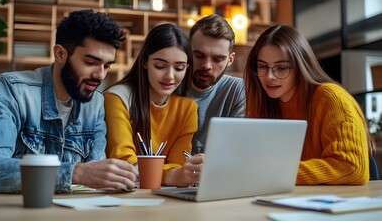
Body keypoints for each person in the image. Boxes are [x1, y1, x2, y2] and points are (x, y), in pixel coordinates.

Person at [0, 10, 138, 193]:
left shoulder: (96, 105)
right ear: (60, 54)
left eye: (107, 66)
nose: (100, 75)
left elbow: (95, 174)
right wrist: (75, 173)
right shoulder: (10, 90)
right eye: (91, 62)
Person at [244, 24, 374, 185]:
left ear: (301, 67)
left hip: (335, 203)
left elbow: (351, 167)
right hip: (289, 200)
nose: (269, 76)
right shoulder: (264, 103)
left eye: (282, 68)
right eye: (262, 66)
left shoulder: (331, 98)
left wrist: (272, 172)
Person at [104, 23, 200, 187]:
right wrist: (171, 176)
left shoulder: (188, 109)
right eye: (160, 66)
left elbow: (179, 165)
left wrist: (178, 174)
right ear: (145, 62)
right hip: (124, 192)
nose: (170, 76)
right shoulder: (117, 97)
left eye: (179, 68)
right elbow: (126, 164)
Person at [187, 14, 246, 154]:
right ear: (187, 51)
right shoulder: (167, 86)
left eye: (217, 59)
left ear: (230, 60)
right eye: (199, 56)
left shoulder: (237, 89)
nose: (206, 66)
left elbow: (235, 149)